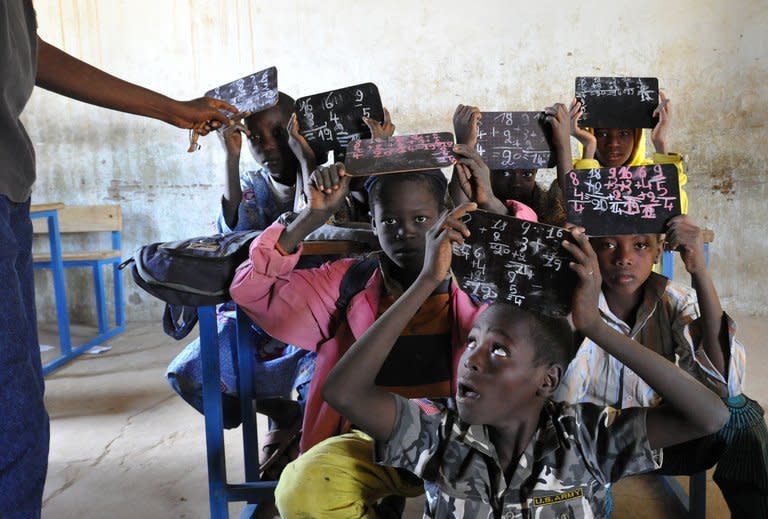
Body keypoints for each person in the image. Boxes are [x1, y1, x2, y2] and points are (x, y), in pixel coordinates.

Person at [323, 207, 729, 518]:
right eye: (472, 343)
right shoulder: (439, 433)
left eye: (498, 350)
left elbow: (709, 417)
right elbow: (344, 392)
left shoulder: (586, 441)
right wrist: (427, 280)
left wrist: (596, 327)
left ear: (548, 380)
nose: (471, 361)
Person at [0, 3, 236, 516]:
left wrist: (171, 108)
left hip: (10, 187)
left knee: (18, 402)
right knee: (12, 414)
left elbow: (30, 54)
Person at [229, 165, 484, 517]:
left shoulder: (479, 282)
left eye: (421, 219)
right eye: (389, 221)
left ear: (444, 216)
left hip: (463, 439)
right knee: (304, 487)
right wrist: (311, 217)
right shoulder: (349, 284)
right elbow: (252, 292)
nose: (405, 232)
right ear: (373, 223)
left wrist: (487, 206)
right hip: (370, 441)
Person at [555, 216, 768, 517]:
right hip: (591, 445)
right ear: (589, 249)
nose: (624, 258)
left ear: (659, 251)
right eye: (607, 245)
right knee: (554, 440)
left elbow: (726, 384)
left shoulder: (676, 300)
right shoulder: (568, 306)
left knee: (742, 417)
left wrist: (700, 272)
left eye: (640, 245)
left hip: (665, 439)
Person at [166, 93, 314, 477]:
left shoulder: (322, 177)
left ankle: (309, 448)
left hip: (308, 318)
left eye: (279, 133)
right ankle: (281, 412)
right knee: (189, 374)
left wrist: (306, 159)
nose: (267, 146)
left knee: (325, 383)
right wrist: (231, 160)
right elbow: (234, 233)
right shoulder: (250, 184)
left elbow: (319, 214)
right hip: (254, 317)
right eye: (255, 138)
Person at [449, 103, 570, 226]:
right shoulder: (476, 197)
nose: (516, 183)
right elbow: (460, 209)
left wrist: (563, 145)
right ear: (487, 171)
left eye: (527, 174)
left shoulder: (547, 209)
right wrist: (465, 144)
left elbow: (572, 208)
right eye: (505, 173)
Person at [569, 90, 689, 213]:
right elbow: (579, 210)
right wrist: (588, 147)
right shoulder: (572, 170)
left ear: (636, 138)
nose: (613, 143)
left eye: (624, 133)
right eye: (602, 134)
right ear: (591, 133)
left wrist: (660, 142)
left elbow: (674, 211)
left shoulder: (651, 174)